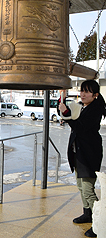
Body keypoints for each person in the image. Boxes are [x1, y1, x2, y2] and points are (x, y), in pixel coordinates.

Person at [58, 80, 106, 238]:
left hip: (88, 154)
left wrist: (67, 116)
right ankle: (87, 213)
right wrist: (62, 99)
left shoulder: (95, 110)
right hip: (79, 153)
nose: (83, 94)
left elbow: (80, 126)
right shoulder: (83, 106)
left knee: (87, 189)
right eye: (82, 91)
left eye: (87, 92)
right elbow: (68, 114)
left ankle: (99, 222)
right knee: (80, 186)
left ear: (95, 95)